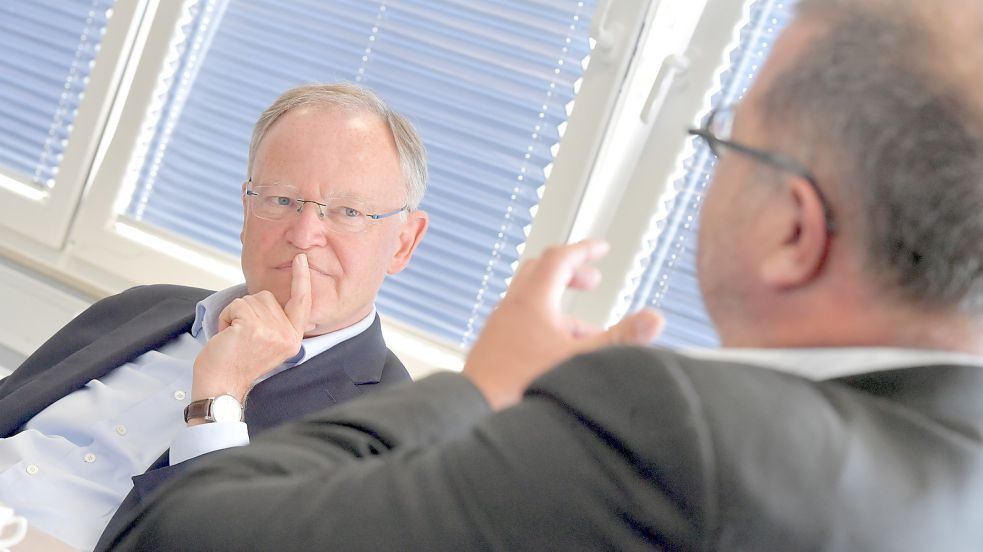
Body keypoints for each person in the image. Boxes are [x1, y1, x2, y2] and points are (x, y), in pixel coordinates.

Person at [109, 0, 983, 550]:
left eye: (725, 139)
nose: (304, 235)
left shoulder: (670, 430)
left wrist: (484, 386)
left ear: (794, 230)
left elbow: (183, 532)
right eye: (279, 198)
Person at [0, 82, 429, 551]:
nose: (304, 234)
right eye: (282, 200)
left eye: (348, 211)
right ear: (247, 209)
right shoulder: (145, 306)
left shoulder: (393, 437)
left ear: (404, 242)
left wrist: (219, 404)